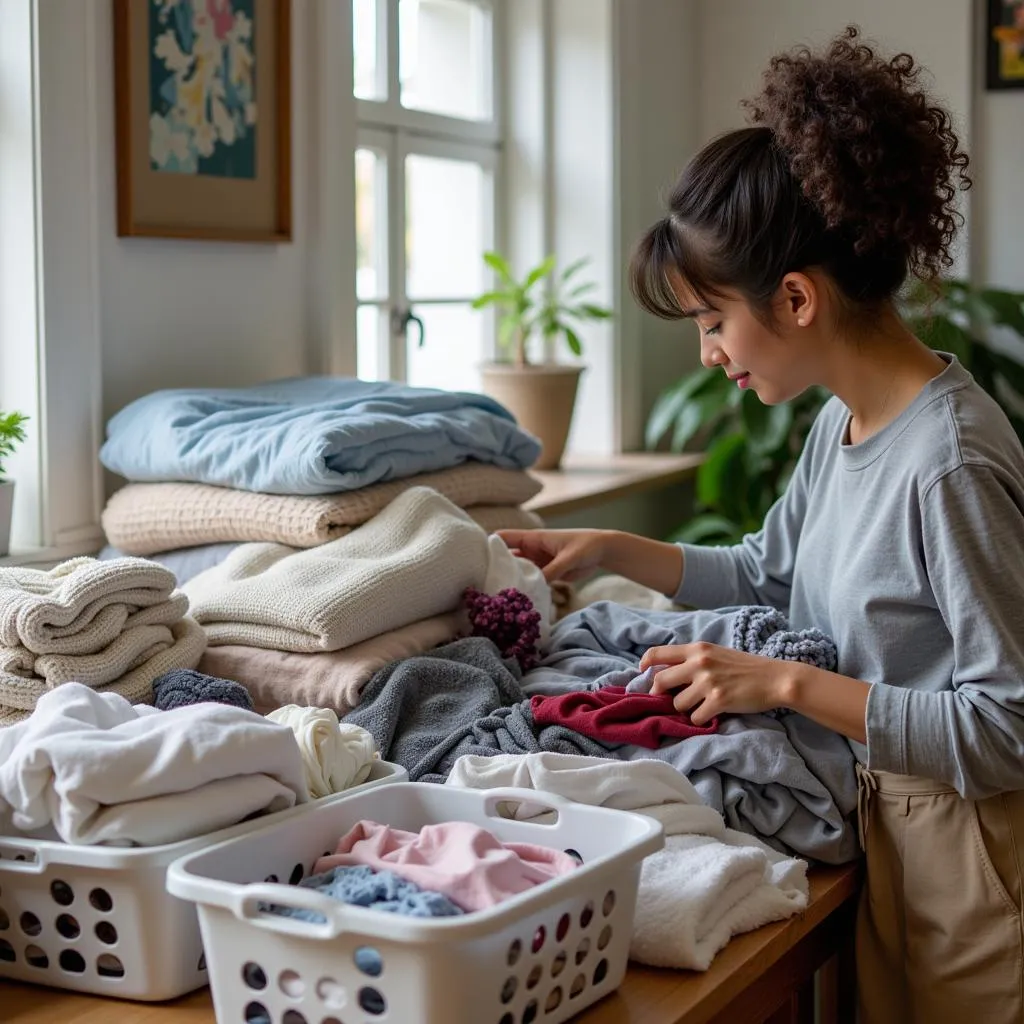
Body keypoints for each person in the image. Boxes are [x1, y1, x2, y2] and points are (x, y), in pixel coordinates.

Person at [498, 26, 1024, 1024]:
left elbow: (1008, 727)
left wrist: (783, 682)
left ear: (793, 298)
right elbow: (768, 570)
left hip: (973, 861)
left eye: (709, 321)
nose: (706, 353)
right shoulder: (844, 422)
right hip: (891, 834)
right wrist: (611, 551)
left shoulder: (946, 459)